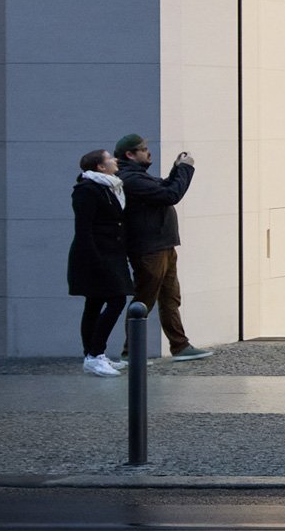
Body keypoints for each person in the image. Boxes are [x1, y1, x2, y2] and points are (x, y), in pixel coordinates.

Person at [113, 135, 210, 361]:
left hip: (162, 245)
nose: (148, 153)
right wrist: (185, 169)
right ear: (130, 154)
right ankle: (131, 353)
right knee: (144, 299)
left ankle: (180, 345)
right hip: (149, 249)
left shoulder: (138, 176)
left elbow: (165, 186)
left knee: (170, 298)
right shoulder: (130, 179)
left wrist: (177, 169)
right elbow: (171, 195)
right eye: (144, 149)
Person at [68, 149, 132, 377]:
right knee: (116, 300)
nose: (115, 161)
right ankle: (95, 354)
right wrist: (94, 260)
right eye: (110, 159)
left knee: (94, 304)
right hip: (97, 256)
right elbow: (84, 229)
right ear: (100, 167)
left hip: (111, 253)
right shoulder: (87, 190)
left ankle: (93, 356)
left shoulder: (109, 186)